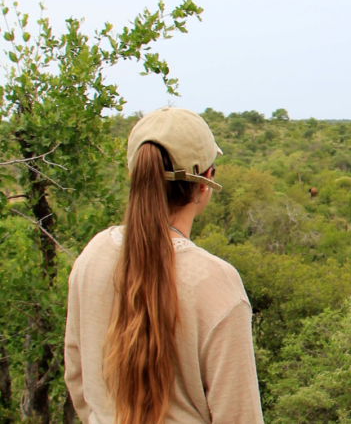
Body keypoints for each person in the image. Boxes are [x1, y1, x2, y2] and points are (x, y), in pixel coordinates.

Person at [65, 107, 264, 424]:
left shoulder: (93, 255)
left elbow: (77, 376)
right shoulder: (216, 283)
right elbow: (239, 416)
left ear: (134, 176)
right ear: (205, 182)